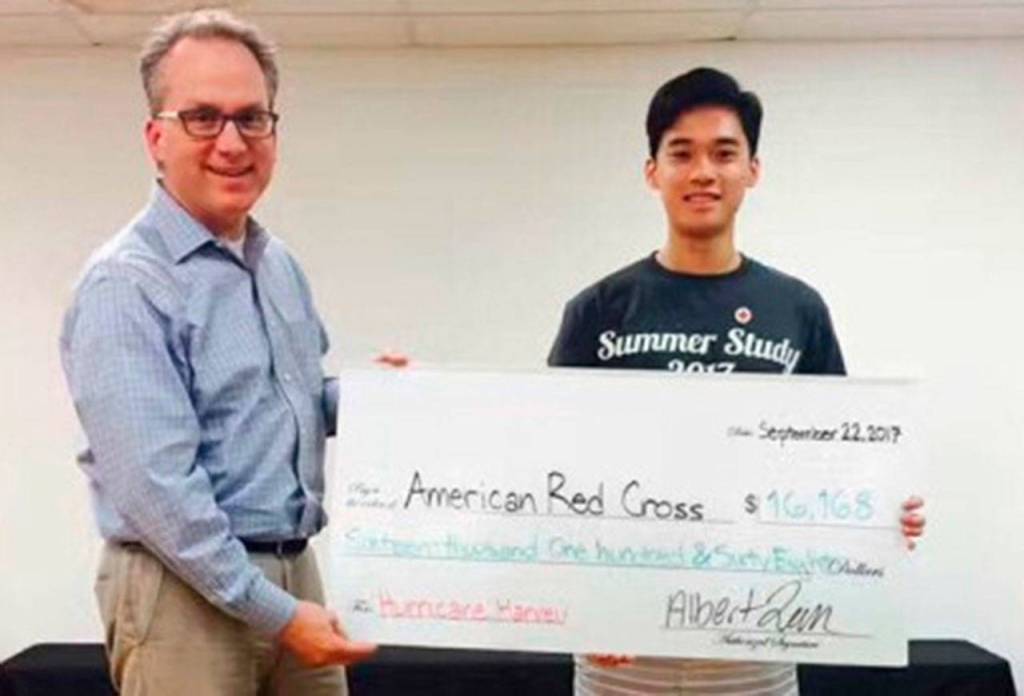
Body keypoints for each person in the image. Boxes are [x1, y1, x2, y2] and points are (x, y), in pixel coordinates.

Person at [548, 67, 925, 695]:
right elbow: (550, 471)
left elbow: (839, 460)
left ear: (753, 169)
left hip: (759, 636)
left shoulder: (798, 309)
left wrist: (884, 513)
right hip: (624, 643)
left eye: (725, 153)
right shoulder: (599, 309)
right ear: (652, 172)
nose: (704, 172)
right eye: (682, 154)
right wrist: (580, 604)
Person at [59, 10, 379, 695]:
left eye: (252, 118)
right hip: (183, 586)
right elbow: (158, 490)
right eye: (203, 117)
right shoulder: (126, 282)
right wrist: (276, 612)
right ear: (156, 138)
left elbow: (292, 401)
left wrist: (387, 400)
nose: (232, 142)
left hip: (294, 568)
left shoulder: (277, 265)